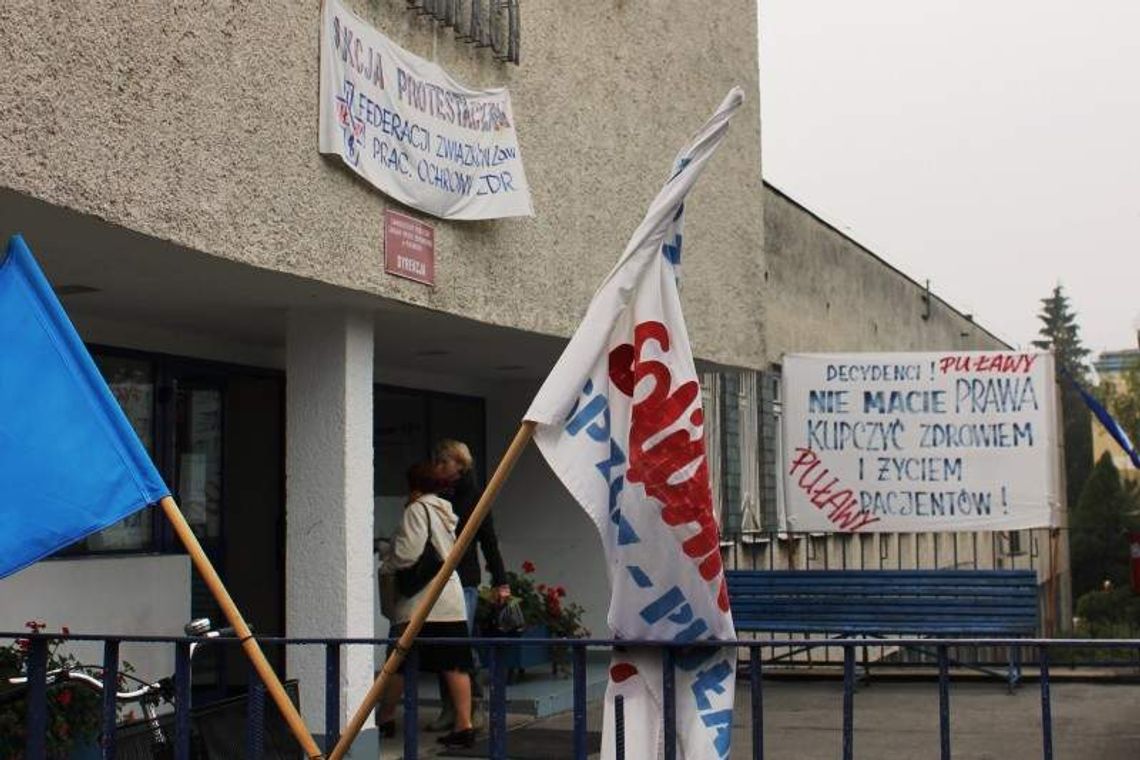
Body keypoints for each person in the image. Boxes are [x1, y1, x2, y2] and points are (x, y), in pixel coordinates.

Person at [376, 462, 476, 749]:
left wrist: (388, 561)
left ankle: (385, 718)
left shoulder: (417, 510)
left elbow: (407, 555)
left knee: (397, 663)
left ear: (413, 484)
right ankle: (464, 724)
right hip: (449, 599)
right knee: (455, 664)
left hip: (420, 600)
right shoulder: (446, 511)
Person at [427, 439, 511, 731]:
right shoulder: (433, 495)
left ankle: (472, 709)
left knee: (461, 645)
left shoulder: (474, 497)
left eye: (444, 462)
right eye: (436, 461)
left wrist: (501, 582)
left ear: (460, 466)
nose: (438, 466)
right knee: (442, 645)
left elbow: (488, 541)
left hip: (463, 580)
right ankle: (449, 709)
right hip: (436, 581)